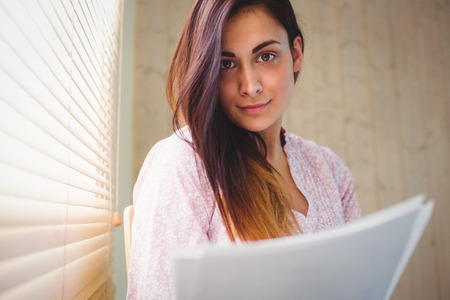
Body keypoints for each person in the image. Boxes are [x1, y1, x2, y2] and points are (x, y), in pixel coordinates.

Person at [127, 0, 361, 298]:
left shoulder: (329, 168)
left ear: (296, 52)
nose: (249, 86)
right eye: (226, 63)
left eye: (266, 56)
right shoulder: (183, 164)